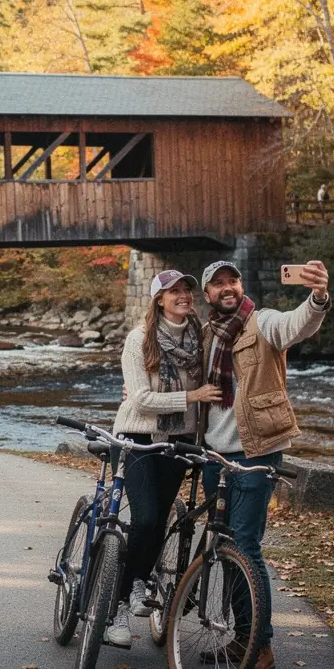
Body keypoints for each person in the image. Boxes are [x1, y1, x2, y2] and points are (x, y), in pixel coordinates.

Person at [198, 258, 330, 669]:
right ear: (207, 295)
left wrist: (319, 297)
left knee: (245, 545)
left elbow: (298, 324)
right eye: (218, 283)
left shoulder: (262, 322)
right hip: (213, 453)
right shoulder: (205, 335)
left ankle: (260, 645)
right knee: (222, 543)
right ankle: (240, 636)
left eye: (232, 280)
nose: (227, 288)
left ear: (241, 285)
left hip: (256, 452)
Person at [104, 269, 223, 649]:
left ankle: (140, 581)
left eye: (187, 290)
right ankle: (117, 608)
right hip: (138, 436)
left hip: (179, 438)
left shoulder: (200, 339)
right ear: (159, 299)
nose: (183, 296)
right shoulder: (139, 340)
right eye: (174, 291)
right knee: (147, 517)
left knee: (162, 521)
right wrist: (192, 397)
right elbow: (139, 399)